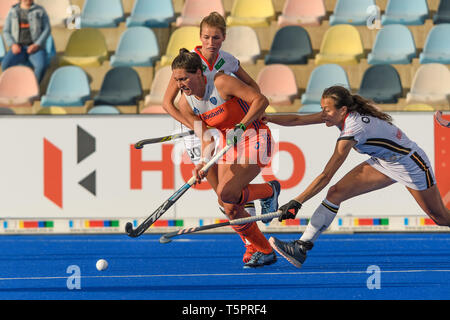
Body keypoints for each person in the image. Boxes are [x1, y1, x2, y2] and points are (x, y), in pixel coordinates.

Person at [264, 86, 450, 268]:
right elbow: (297, 119)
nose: (323, 114)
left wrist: (297, 201)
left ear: (342, 110)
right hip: (385, 162)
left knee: (440, 218)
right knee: (335, 193)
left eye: (327, 110)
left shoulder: (354, 129)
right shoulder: (340, 116)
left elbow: (326, 174)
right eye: (322, 109)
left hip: (411, 164)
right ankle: (301, 247)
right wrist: (266, 118)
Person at [162, 12, 264, 264]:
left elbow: (255, 90)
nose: (211, 42)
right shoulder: (187, 62)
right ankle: (252, 243)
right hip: (199, 130)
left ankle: (255, 246)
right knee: (222, 196)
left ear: (223, 38)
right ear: (200, 37)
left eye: (216, 37)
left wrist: (239, 114)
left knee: (231, 193)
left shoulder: (227, 62)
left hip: (221, 125)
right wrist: (198, 126)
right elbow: (168, 103)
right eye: (206, 37)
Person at [171, 48, 279, 268]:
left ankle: (269, 191)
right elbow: (207, 138)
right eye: (176, 80)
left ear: (199, 73)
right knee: (228, 206)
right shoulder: (185, 103)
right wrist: (202, 162)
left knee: (226, 192)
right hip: (229, 147)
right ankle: (265, 250)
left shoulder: (222, 82)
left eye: (184, 78)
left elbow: (260, 100)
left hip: (254, 136)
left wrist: (241, 125)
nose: (180, 84)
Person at [2, 0, 51, 83]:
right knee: (5, 65)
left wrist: (37, 45)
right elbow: (6, 31)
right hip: (18, 48)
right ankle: (15, 88)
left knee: (41, 66)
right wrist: (13, 44)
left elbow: (47, 29)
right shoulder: (13, 11)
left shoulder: (40, 10)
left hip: (36, 49)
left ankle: (33, 89)